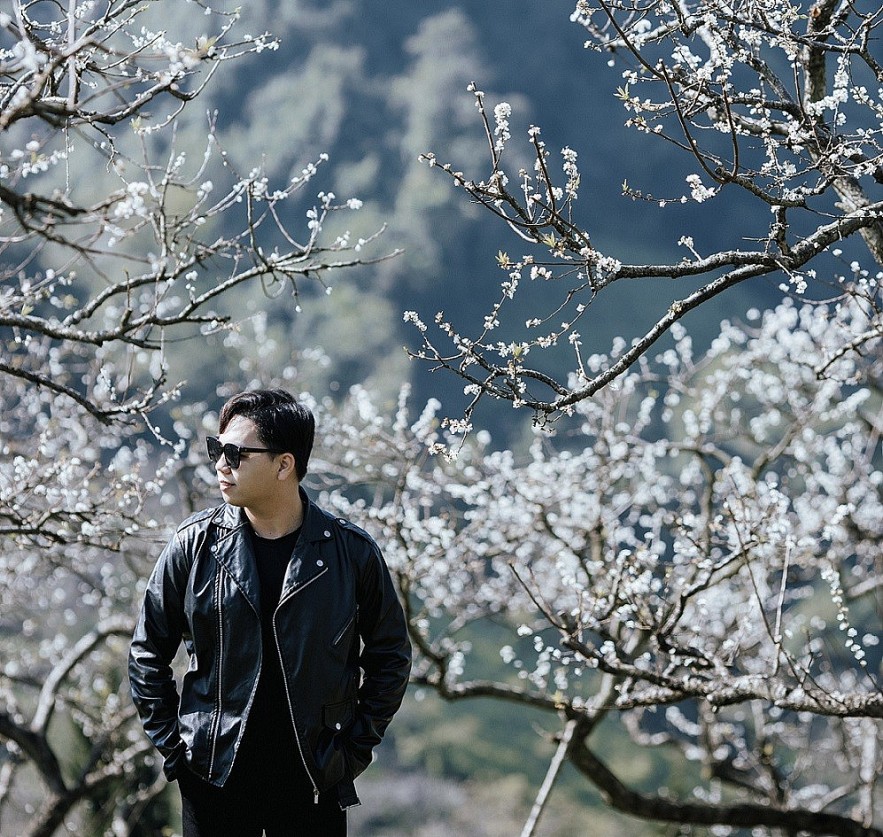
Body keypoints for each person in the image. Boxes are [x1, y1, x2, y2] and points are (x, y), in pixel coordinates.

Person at [129, 388, 412, 836]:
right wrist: (176, 749)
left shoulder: (350, 554)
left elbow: (391, 656)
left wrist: (351, 751)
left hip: (312, 778)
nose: (221, 464)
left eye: (236, 453)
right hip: (211, 776)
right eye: (216, 449)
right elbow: (147, 652)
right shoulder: (192, 545)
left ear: (285, 464)